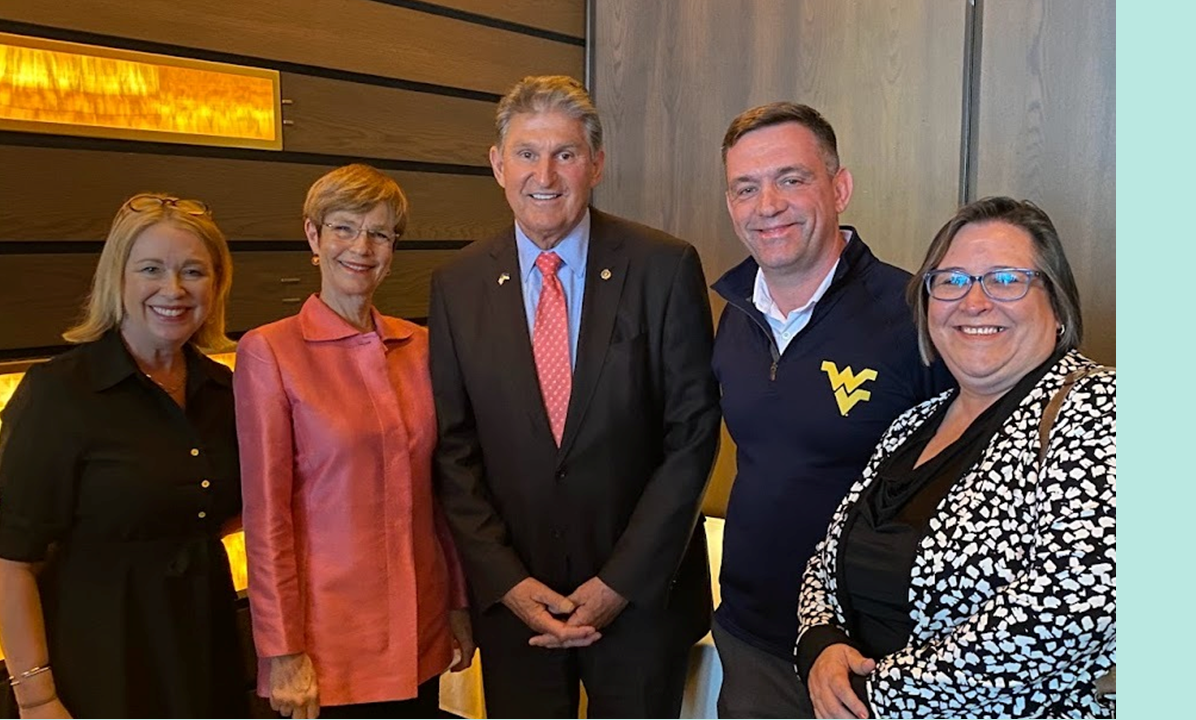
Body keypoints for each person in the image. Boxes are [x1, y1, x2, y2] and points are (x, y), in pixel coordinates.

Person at [429, 75, 721, 718]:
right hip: (518, 607)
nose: (546, 173)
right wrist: (506, 582)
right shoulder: (457, 284)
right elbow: (454, 449)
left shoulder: (663, 266)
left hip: (642, 603)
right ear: (497, 164)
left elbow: (693, 434)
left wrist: (621, 582)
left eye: (565, 153)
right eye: (527, 153)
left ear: (596, 164)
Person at [798, 196, 1116, 718]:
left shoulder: (1098, 408)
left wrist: (874, 694)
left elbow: (1071, 608)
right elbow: (826, 558)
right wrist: (822, 647)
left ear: (1057, 305)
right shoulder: (913, 425)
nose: (974, 302)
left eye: (1006, 279)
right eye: (951, 281)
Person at [709, 102, 953, 718]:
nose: (768, 205)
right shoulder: (734, 311)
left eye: (791, 179)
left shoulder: (914, 317)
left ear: (839, 187)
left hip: (867, 656)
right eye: (746, 187)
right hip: (749, 636)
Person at [235, 164, 474, 720]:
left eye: (379, 233)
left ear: (394, 247)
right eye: (344, 228)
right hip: (326, 645)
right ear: (313, 237)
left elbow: (444, 492)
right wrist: (281, 650)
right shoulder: (269, 352)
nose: (361, 247)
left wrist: (458, 602)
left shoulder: (422, 346)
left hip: (420, 626)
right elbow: (267, 519)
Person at [0, 193, 245, 718]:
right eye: (151, 269)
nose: (172, 290)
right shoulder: (59, 394)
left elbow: (220, 509)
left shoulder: (225, 390)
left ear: (216, 285)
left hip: (207, 645)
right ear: (119, 279)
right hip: (100, 660)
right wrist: (36, 697)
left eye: (193, 271)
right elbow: (12, 559)